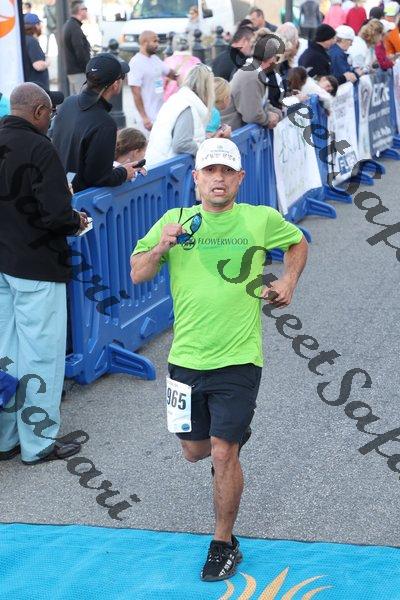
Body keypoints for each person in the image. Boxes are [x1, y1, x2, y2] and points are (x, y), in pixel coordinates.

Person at [130, 137, 308, 582]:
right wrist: (160, 248)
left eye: (227, 171)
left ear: (240, 178)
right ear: (196, 178)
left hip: (239, 358)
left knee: (224, 452)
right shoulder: (175, 221)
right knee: (195, 452)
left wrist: (288, 281)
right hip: (186, 358)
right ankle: (226, 442)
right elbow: (137, 272)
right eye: (210, 170)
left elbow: (298, 241)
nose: (219, 179)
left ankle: (223, 543)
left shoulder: (259, 219)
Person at [0, 82, 87, 464]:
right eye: (49, 113)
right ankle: (38, 443)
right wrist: (76, 220)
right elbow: (55, 215)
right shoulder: (40, 148)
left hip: (2, 263)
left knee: (6, 353)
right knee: (41, 355)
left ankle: (5, 438)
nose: (51, 120)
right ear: (38, 111)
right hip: (36, 266)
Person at [52, 53, 139, 193]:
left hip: (58, 187)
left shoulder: (68, 103)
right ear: (116, 84)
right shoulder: (105, 123)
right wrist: (124, 173)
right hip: (80, 199)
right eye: (122, 77)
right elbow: (98, 177)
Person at [145, 64, 215, 167]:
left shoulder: (178, 100)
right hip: (167, 168)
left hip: (158, 165)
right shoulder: (187, 106)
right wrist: (205, 149)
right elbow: (181, 143)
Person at [222, 32, 284, 131]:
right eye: (277, 58)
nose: (277, 63)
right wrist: (268, 119)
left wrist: (277, 114)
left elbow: (262, 104)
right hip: (234, 134)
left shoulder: (255, 72)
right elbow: (252, 115)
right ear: (272, 58)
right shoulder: (251, 75)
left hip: (237, 132)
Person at [128, 31, 177, 134]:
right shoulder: (136, 62)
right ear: (145, 42)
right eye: (154, 41)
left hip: (159, 115)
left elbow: (171, 73)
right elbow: (135, 93)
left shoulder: (155, 59)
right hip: (146, 119)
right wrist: (144, 118)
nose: (157, 44)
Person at [62, 1, 91, 95]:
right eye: (85, 9)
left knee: (76, 99)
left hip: (74, 71)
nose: (86, 11)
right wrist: (87, 69)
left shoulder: (70, 25)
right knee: (82, 100)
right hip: (78, 72)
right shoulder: (74, 27)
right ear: (80, 11)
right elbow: (79, 51)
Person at [163, 34, 201, 101]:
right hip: (191, 100)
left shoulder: (167, 61)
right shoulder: (196, 61)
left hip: (171, 100)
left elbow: (162, 85)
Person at [24, 13, 50, 90]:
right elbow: (38, 66)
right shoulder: (32, 41)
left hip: (30, 86)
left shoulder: (25, 40)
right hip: (37, 88)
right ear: (35, 26)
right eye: (39, 24)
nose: (41, 27)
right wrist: (47, 62)